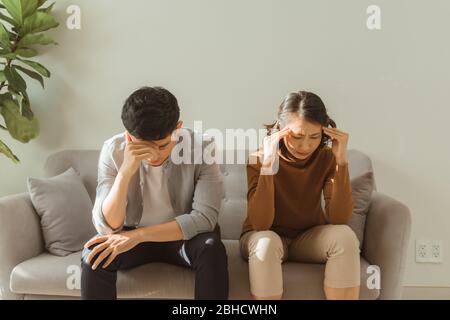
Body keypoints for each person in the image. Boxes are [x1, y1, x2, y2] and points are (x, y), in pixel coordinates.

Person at [81, 86, 228, 300]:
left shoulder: (203, 147)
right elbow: (107, 225)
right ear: (128, 136)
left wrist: (139, 236)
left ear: (178, 128)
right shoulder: (113, 150)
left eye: (162, 145)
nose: (153, 155)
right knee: (94, 255)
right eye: (143, 147)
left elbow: (205, 218)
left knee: (211, 248)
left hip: (183, 237)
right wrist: (125, 172)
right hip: (130, 235)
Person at [240, 90, 359, 300]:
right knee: (266, 242)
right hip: (264, 235)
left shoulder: (326, 158)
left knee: (345, 236)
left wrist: (341, 162)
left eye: (314, 137)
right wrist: (268, 166)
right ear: (280, 129)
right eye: (297, 136)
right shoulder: (257, 159)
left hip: (308, 238)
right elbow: (260, 223)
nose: (306, 146)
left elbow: (339, 218)